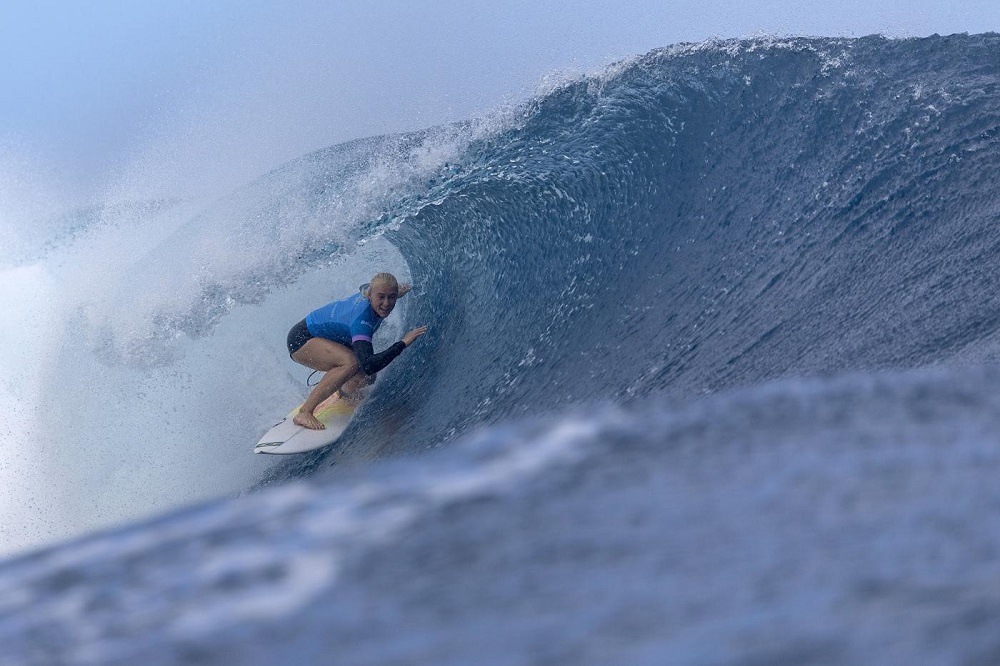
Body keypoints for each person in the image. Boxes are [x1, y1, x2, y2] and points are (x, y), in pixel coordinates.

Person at [286, 272, 428, 430]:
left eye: (392, 297)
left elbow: (385, 291)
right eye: (381, 297)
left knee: (367, 378)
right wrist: (403, 342)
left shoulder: (374, 292)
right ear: (370, 296)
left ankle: (343, 390)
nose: (386, 303)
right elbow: (369, 364)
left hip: (330, 338)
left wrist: (400, 291)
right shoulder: (361, 321)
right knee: (351, 363)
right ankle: (305, 412)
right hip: (302, 339)